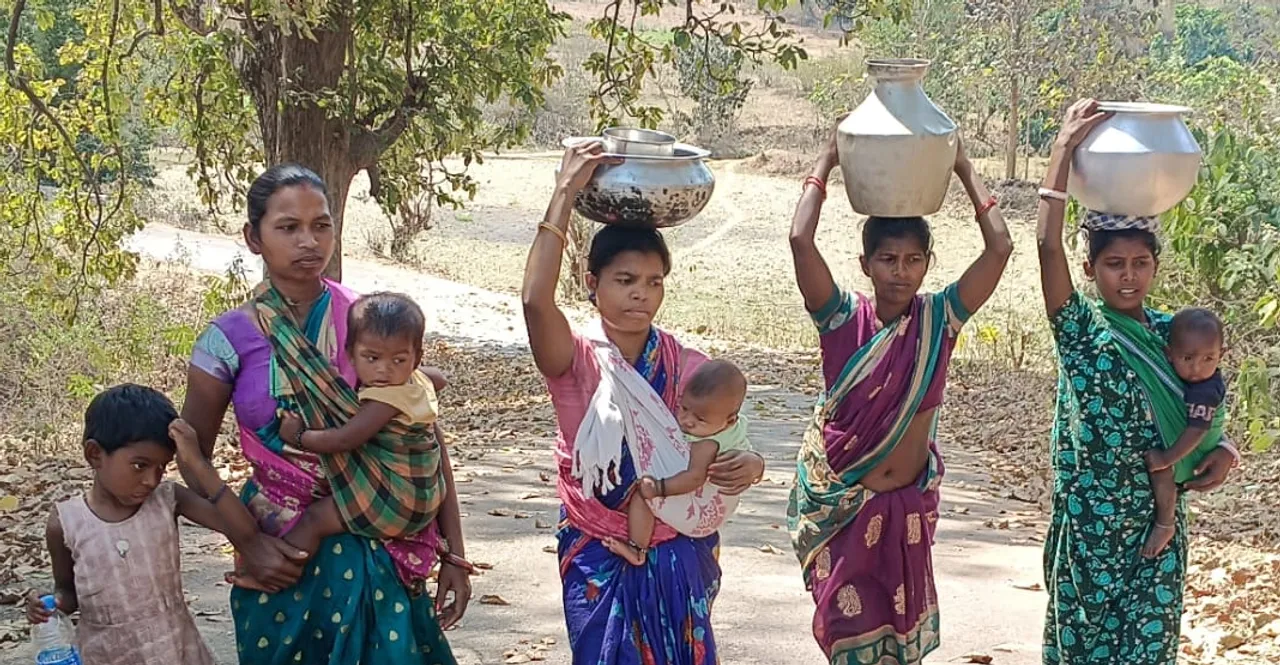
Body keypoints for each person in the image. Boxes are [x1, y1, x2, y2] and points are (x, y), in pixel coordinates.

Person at [179, 164, 471, 665]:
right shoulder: (226, 341)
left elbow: (423, 436)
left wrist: (454, 552)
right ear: (254, 237)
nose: (309, 241)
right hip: (278, 545)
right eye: (288, 227)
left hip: (377, 532)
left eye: (322, 225)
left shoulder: (369, 321)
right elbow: (192, 457)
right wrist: (248, 542)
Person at [522, 142, 767, 663]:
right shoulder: (577, 362)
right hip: (600, 551)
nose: (641, 294)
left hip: (680, 553)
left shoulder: (687, 365)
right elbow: (534, 301)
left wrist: (752, 464)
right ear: (592, 284)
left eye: (653, 282)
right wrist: (565, 192)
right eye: (625, 281)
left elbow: (731, 436)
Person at [786, 125, 1013, 664]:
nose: (901, 272)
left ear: (927, 264)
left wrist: (963, 170)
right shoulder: (843, 321)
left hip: (907, 510)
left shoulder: (940, 321)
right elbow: (800, 241)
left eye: (914, 260)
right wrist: (826, 163)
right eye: (888, 260)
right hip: (846, 511)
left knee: (899, 650)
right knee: (849, 643)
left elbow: (1000, 246)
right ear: (865, 265)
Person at [1036, 98, 1239, 665]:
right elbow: (1046, 245)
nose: (1128, 277)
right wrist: (1062, 151)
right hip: (1092, 527)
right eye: (1113, 264)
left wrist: (1223, 450)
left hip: (1158, 528)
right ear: (1089, 269)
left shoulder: (1171, 333)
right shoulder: (1080, 330)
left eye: (1140, 264)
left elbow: (1205, 401)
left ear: (1155, 265)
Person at [25, 384, 254, 665]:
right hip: (107, 654)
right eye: (139, 465)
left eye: (161, 467)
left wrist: (197, 464)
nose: (151, 480)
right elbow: (68, 592)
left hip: (173, 648)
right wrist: (50, 604)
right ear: (94, 454)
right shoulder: (65, 523)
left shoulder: (169, 499)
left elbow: (240, 526)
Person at [270, 291, 448, 559]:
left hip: (396, 502)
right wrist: (412, 371)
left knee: (315, 520)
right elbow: (440, 378)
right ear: (350, 354)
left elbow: (344, 440)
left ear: (416, 357)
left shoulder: (384, 400)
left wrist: (299, 436)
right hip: (428, 496)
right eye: (372, 358)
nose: (384, 371)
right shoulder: (415, 381)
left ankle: (280, 569)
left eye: (398, 360)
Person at [608, 359, 753, 565]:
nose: (687, 421)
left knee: (642, 496)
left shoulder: (708, 444)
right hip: (720, 507)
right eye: (684, 408)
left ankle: (637, 549)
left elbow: (694, 477)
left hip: (703, 510)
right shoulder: (729, 425)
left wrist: (659, 487)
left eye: (700, 419)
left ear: (729, 420)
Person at [1141, 307, 1228, 557]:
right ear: (1169, 355)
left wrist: (1166, 458)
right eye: (1188, 359)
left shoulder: (1205, 390)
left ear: (1221, 355)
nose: (1197, 369)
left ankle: (1165, 523)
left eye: (1208, 359)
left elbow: (1197, 430)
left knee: (1161, 473)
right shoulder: (1187, 379)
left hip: (1194, 453)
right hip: (1190, 448)